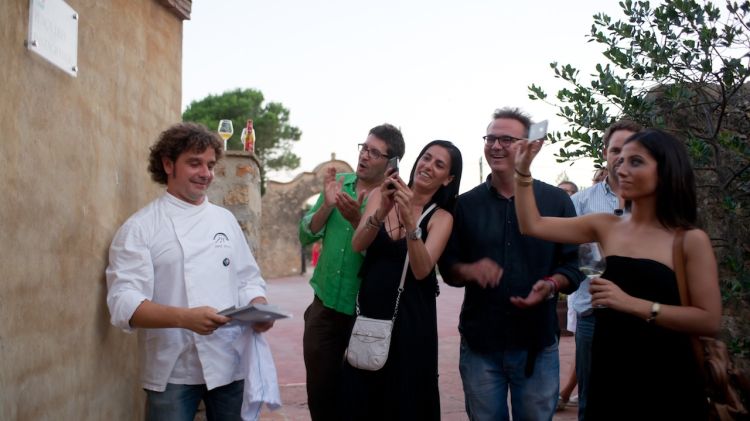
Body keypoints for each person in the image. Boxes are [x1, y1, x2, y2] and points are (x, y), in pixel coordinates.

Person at [514, 128, 722, 420]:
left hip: (667, 375)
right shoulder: (605, 225)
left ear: (666, 170)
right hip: (609, 366)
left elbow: (709, 319)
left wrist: (631, 303)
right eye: (620, 160)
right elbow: (531, 225)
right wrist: (522, 172)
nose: (621, 168)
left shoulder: (688, 239)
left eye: (635, 161)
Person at [105, 122, 274, 420]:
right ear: (168, 164)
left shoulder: (225, 221)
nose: (206, 173)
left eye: (210, 164)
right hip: (173, 369)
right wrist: (185, 318)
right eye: (194, 163)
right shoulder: (140, 227)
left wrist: (258, 308)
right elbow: (123, 303)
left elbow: (247, 278)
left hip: (228, 360)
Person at [438, 108, 584, 421]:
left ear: (529, 145)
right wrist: (469, 270)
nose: (496, 146)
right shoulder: (465, 205)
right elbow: (449, 267)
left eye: (507, 139)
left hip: (537, 345)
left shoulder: (557, 201)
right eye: (490, 138)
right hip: (480, 344)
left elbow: (573, 266)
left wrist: (550, 285)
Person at [342, 140, 463, 420]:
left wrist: (411, 223)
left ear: (448, 179)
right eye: (426, 157)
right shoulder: (378, 195)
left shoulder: (442, 218)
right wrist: (383, 209)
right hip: (371, 312)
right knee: (361, 396)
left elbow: (422, 270)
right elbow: (358, 244)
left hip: (411, 321)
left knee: (405, 398)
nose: (428, 166)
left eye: (439, 164)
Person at [298, 123, 405, 421]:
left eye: (374, 152)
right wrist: (326, 207)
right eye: (364, 148)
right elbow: (306, 235)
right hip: (323, 310)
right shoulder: (338, 185)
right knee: (319, 397)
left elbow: (389, 255)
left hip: (364, 316)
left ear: (390, 163)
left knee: (359, 399)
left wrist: (359, 218)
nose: (365, 156)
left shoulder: (393, 201)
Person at [567, 119, 641, 420]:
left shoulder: (652, 203)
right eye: (615, 150)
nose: (621, 158)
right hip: (592, 316)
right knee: (591, 401)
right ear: (605, 153)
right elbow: (567, 254)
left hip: (640, 316)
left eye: (629, 151)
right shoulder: (581, 201)